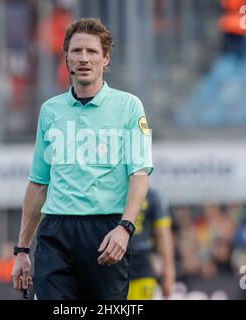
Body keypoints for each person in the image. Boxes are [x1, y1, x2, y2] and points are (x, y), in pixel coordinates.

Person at [11, 18, 153, 300]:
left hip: (105, 232)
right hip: (56, 233)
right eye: (76, 51)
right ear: (66, 58)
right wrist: (22, 250)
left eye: (92, 52)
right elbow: (38, 183)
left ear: (106, 59)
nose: (84, 58)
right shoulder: (50, 111)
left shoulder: (129, 106)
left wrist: (125, 228)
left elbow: (139, 174)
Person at [127, 188, 175, 300]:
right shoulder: (152, 195)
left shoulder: (152, 196)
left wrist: (168, 270)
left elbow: (163, 234)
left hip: (141, 262)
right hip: (113, 261)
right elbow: (163, 234)